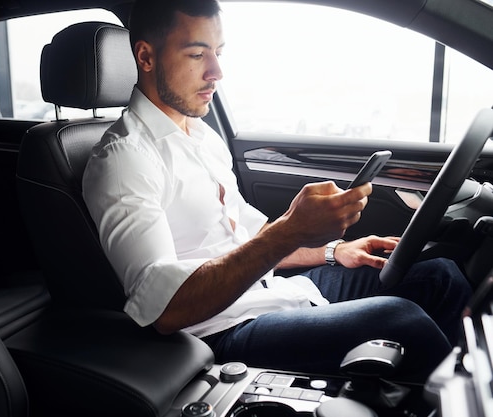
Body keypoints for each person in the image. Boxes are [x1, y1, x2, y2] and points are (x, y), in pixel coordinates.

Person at [82, 0, 472, 380]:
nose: (216, 71)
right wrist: (290, 229)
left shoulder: (200, 136)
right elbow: (164, 310)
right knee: (399, 321)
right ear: (146, 58)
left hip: (272, 292)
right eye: (197, 55)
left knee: (440, 275)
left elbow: (249, 237)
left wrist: (334, 251)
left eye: (218, 52)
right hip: (220, 331)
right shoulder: (124, 158)